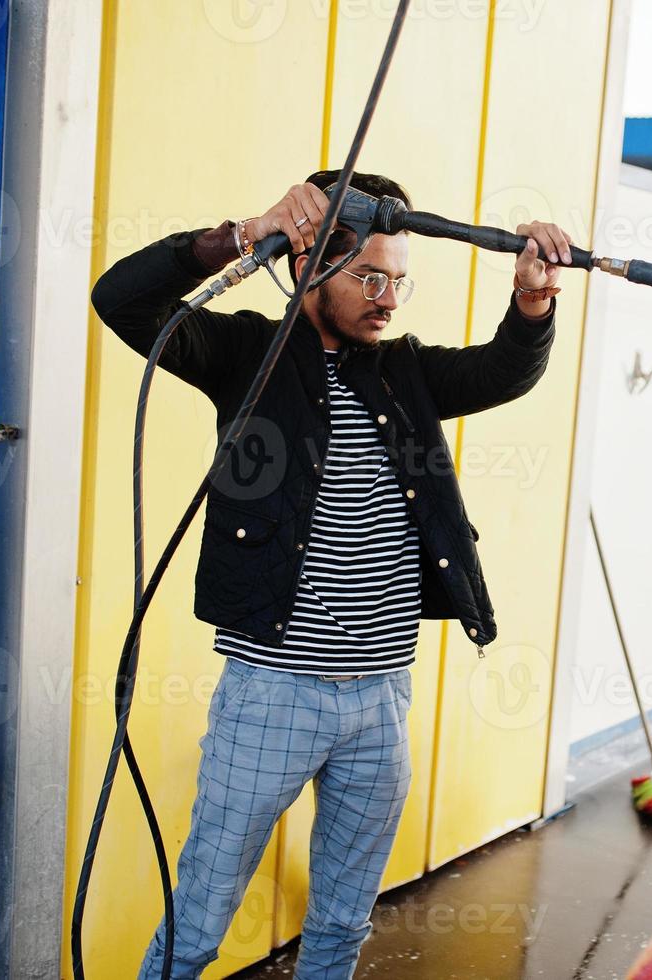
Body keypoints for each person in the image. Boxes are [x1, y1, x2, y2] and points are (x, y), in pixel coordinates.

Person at [90, 169, 575, 979]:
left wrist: (531, 303)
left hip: (381, 698)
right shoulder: (247, 354)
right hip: (272, 693)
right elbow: (121, 300)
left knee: (342, 926)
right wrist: (241, 234)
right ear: (311, 265)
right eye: (369, 278)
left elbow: (502, 373)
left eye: (398, 281)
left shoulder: (404, 373)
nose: (388, 299)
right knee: (200, 922)